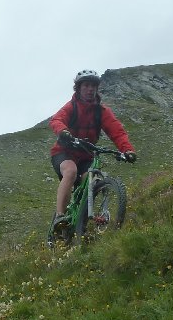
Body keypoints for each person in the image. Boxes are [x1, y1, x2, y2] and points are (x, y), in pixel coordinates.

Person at [49, 69, 136, 227]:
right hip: (64, 152)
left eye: (93, 86)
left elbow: (117, 131)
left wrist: (127, 150)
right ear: (79, 88)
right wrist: (63, 132)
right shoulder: (71, 107)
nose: (90, 89)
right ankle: (60, 217)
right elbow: (56, 120)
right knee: (71, 171)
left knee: (92, 180)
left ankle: (84, 220)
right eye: (86, 86)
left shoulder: (102, 112)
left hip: (86, 155)